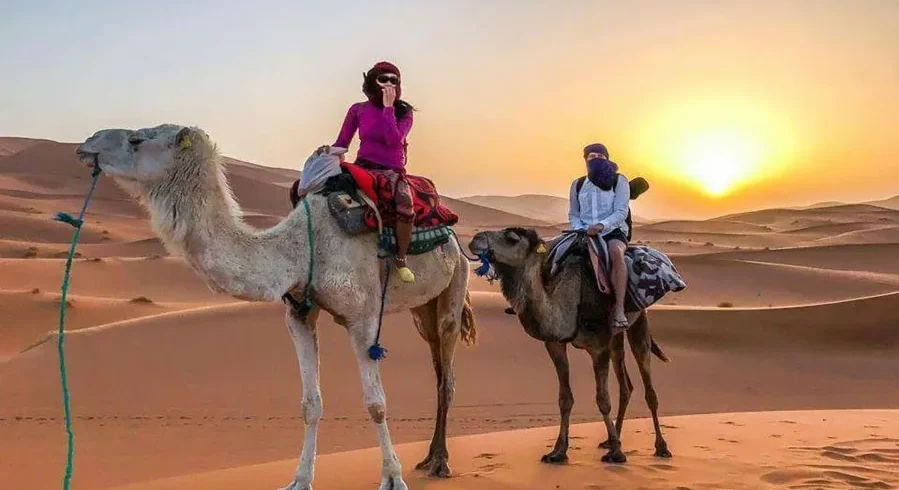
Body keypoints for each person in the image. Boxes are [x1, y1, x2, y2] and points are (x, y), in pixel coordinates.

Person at [331, 61, 417, 283]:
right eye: (383, 79)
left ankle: (400, 259)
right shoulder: (358, 109)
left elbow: (394, 141)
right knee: (328, 192)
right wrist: (329, 153)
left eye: (394, 80)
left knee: (405, 204)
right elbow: (342, 141)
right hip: (364, 165)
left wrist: (388, 108)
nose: (389, 84)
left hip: (392, 171)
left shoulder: (404, 113)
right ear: (372, 82)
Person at [568, 143, 631, 333]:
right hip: (583, 232)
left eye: (600, 156)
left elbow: (621, 211)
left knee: (615, 253)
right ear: (585, 159)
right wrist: (580, 228)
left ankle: (619, 308)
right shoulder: (578, 184)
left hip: (612, 231)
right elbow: (573, 213)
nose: (596, 159)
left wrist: (602, 226)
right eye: (591, 156)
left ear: (607, 158)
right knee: (549, 251)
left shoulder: (619, 180)